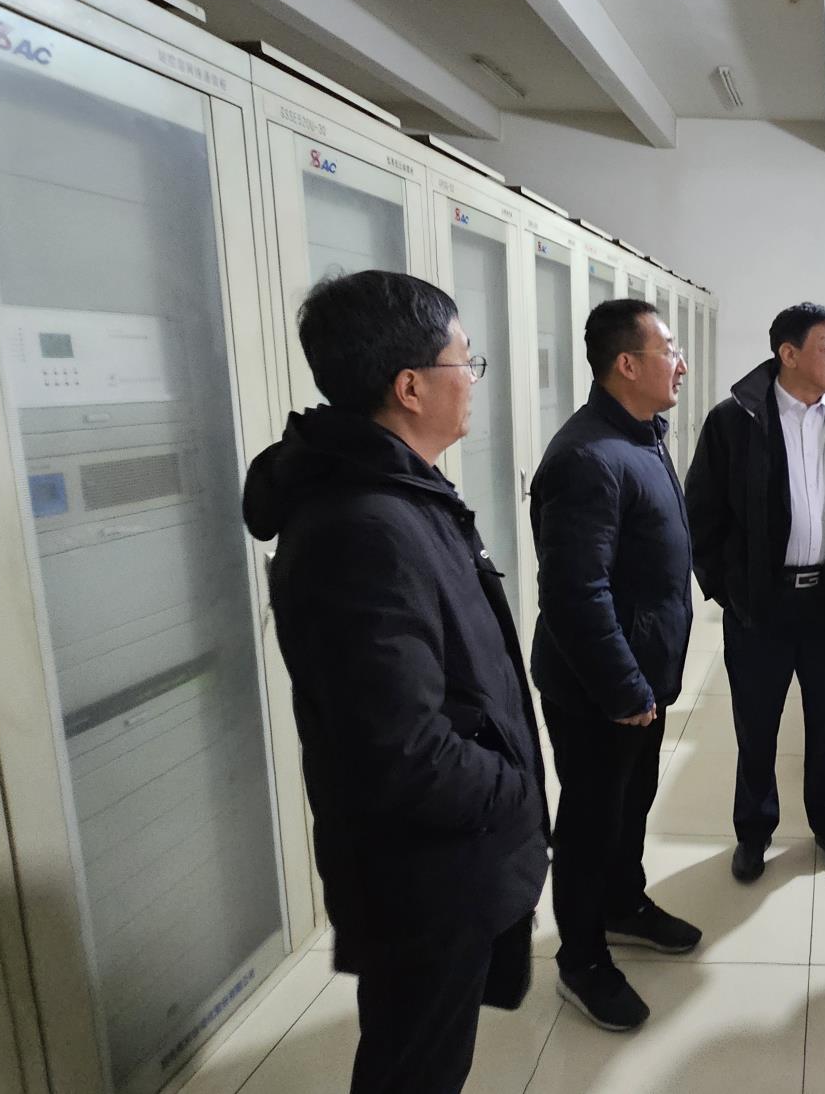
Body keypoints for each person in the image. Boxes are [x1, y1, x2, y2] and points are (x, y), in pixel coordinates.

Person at [242, 270, 548, 1094]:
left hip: (440, 857)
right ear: (410, 387)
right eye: (465, 361)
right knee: (413, 1068)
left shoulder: (397, 491)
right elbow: (402, 754)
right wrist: (514, 788)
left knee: (422, 1055)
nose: (473, 378)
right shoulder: (364, 527)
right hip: (423, 875)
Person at [531, 298, 698, 1032]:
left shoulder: (642, 436)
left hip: (639, 676)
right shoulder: (587, 457)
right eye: (670, 349)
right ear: (627, 364)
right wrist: (625, 688)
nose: (681, 364)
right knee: (591, 820)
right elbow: (575, 592)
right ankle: (581, 958)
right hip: (599, 687)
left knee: (631, 803)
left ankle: (623, 903)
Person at [686, 302, 825, 884]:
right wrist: (728, 591)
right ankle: (753, 832)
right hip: (761, 605)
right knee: (757, 728)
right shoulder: (735, 420)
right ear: (789, 354)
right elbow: (701, 512)